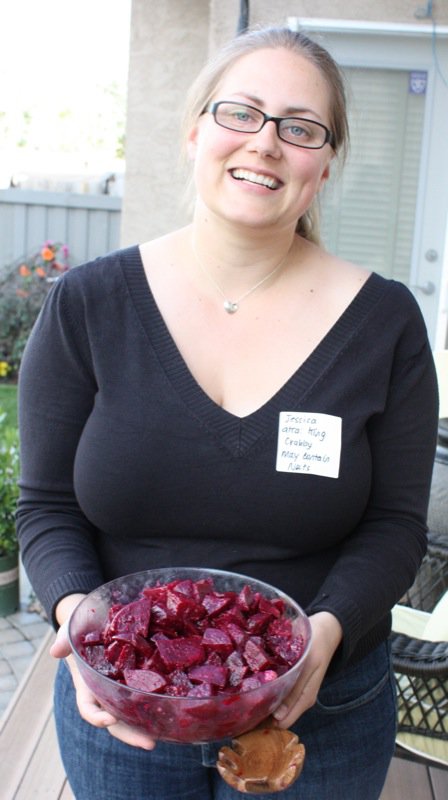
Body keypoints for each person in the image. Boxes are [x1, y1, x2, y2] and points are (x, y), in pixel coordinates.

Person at [17, 26, 438, 800]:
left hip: (325, 708)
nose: (266, 142)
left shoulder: (385, 324)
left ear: (325, 164)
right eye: (240, 112)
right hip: (127, 711)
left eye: (300, 128)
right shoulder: (89, 306)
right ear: (194, 131)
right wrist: (81, 627)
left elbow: (395, 525)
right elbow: (45, 506)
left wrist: (326, 634)